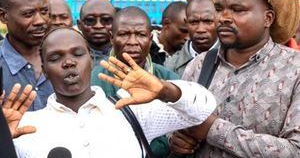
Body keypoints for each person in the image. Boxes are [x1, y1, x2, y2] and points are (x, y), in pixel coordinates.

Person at [7, 27, 216, 158]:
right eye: (55, 58)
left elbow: (204, 108)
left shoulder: (130, 110)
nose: (69, 62)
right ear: (44, 70)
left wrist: (165, 90)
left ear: (91, 59)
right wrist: (2, 139)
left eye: (77, 54)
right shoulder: (26, 127)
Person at [169, 0, 300, 158]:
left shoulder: (294, 69)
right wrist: (176, 139)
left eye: (238, 10)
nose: (224, 18)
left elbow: (295, 150)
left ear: (268, 18)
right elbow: (176, 124)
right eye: (219, 9)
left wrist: (213, 130)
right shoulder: (199, 65)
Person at [91, 6, 179, 158]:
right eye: (124, 34)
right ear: (112, 38)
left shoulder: (169, 78)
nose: (133, 42)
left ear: (150, 39)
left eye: (140, 35)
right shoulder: (95, 77)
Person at [0, 0, 53, 111]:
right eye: (28, 14)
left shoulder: (66, 57)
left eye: (44, 12)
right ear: (3, 16)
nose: (40, 21)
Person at [165, 0, 217, 77]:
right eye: (194, 22)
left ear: (218, 21)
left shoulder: (232, 59)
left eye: (207, 21)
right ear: (186, 24)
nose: (200, 29)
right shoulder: (170, 66)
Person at [77, 0, 115, 67]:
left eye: (106, 20)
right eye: (90, 20)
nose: (98, 26)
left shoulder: (127, 54)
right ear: (79, 24)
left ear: (116, 23)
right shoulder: (70, 57)